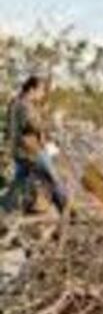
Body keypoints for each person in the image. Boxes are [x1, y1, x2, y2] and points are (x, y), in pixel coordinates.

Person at [0, 75, 68, 214]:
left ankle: (4, 208)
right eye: (41, 91)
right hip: (31, 150)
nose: (42, 95)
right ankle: (66, 209)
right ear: (32, 89)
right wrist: (55, 121)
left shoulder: (15, 103)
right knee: (52, 177)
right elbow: (34, 125)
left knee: (19, 182)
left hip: (19, 150)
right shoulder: (24, 105)